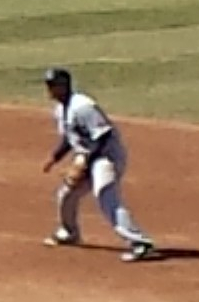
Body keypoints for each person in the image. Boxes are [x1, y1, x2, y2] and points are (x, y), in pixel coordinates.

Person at [43, 67, 160, 261]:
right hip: (90, 155)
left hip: (107, 155)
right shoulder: (60, 109)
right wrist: (54, 158)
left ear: (64, 86)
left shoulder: (83, 106)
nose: (49, 89)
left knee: (105, 194)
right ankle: (69, 232)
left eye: (52, 85)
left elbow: (102, 136)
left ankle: (140, 242)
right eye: (48, 85)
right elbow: (70, 138)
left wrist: (84, 164)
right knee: (67, 193)